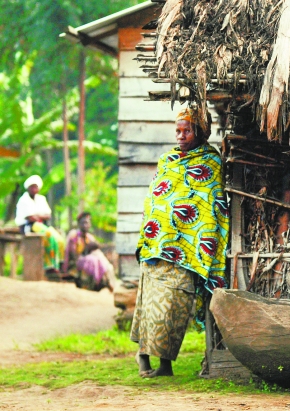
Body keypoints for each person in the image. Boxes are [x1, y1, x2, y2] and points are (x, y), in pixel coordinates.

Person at [130, 106, 230, 378]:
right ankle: (144, 358)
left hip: (187, 250)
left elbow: (210, 203)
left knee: (173, 309)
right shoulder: (167, 160)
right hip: (156, 246)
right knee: (149, 306)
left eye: (187, 130)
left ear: (200, 132)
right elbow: (156, 197)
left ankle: (165, 365)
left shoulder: (210, 161)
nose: (181, 136)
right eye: (178, 130)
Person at [15, 175, 65, 273]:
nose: (34, 189)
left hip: (42, 225)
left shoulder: (41, 199)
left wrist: (37, 215)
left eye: (36, 187)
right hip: (30, 227)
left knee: (59, 240)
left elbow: (48, 215)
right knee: (49, 236)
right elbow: (30, 218)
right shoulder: (24, 200)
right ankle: (49, 266)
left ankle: (60, 265)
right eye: (32, 187)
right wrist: (39, 215)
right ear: (28, 188)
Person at [63, 212, 116, 292]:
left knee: (99, 256)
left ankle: (107, 281)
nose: (85, 225)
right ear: (79, 224)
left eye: (87, 223)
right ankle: (93, 284)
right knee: (92, 260)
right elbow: (74, 256)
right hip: (76, 264)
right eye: (82, 223)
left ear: (89, 225)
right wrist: (86, 250)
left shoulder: (89, 237)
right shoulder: (74, 236)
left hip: (89, 261)